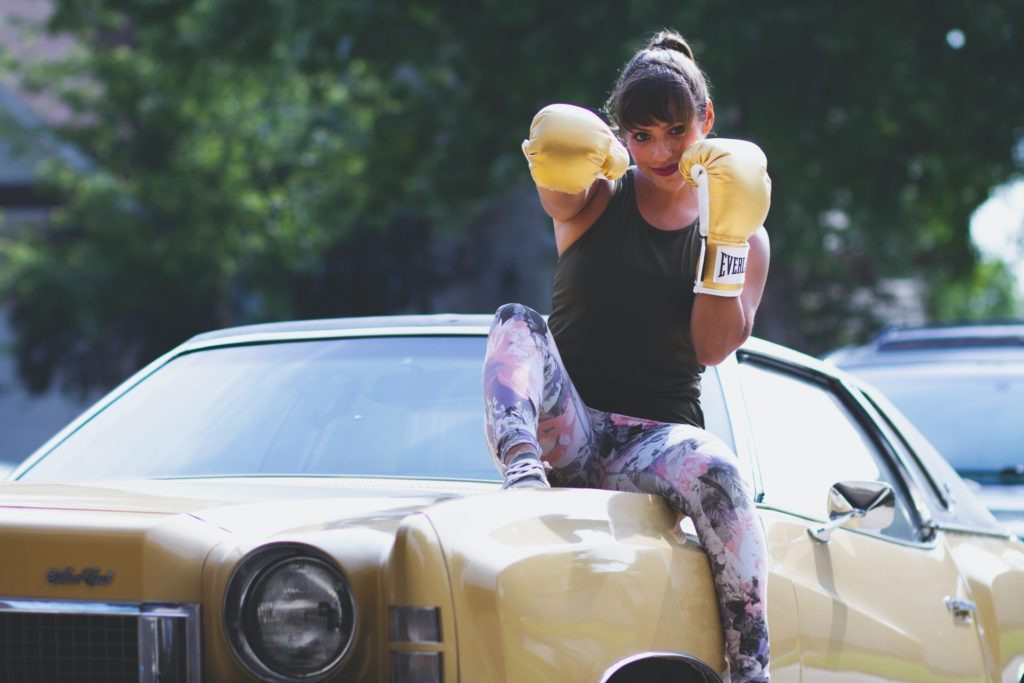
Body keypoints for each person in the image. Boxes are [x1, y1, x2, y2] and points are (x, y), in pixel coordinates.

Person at [481, 29, 772, 683]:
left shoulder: (743, 234)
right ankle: (523, 482)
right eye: (641, 135)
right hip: (571, 426)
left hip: (657, 440)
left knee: (722, 470)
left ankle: (752, 667)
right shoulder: (594, 200)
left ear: (708, 123)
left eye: (676, 129)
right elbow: (555, 173)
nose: (661, 150)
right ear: (619, 138)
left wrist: (723, 238)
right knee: (515, 323)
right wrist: (571, 150)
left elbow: (711, 345)